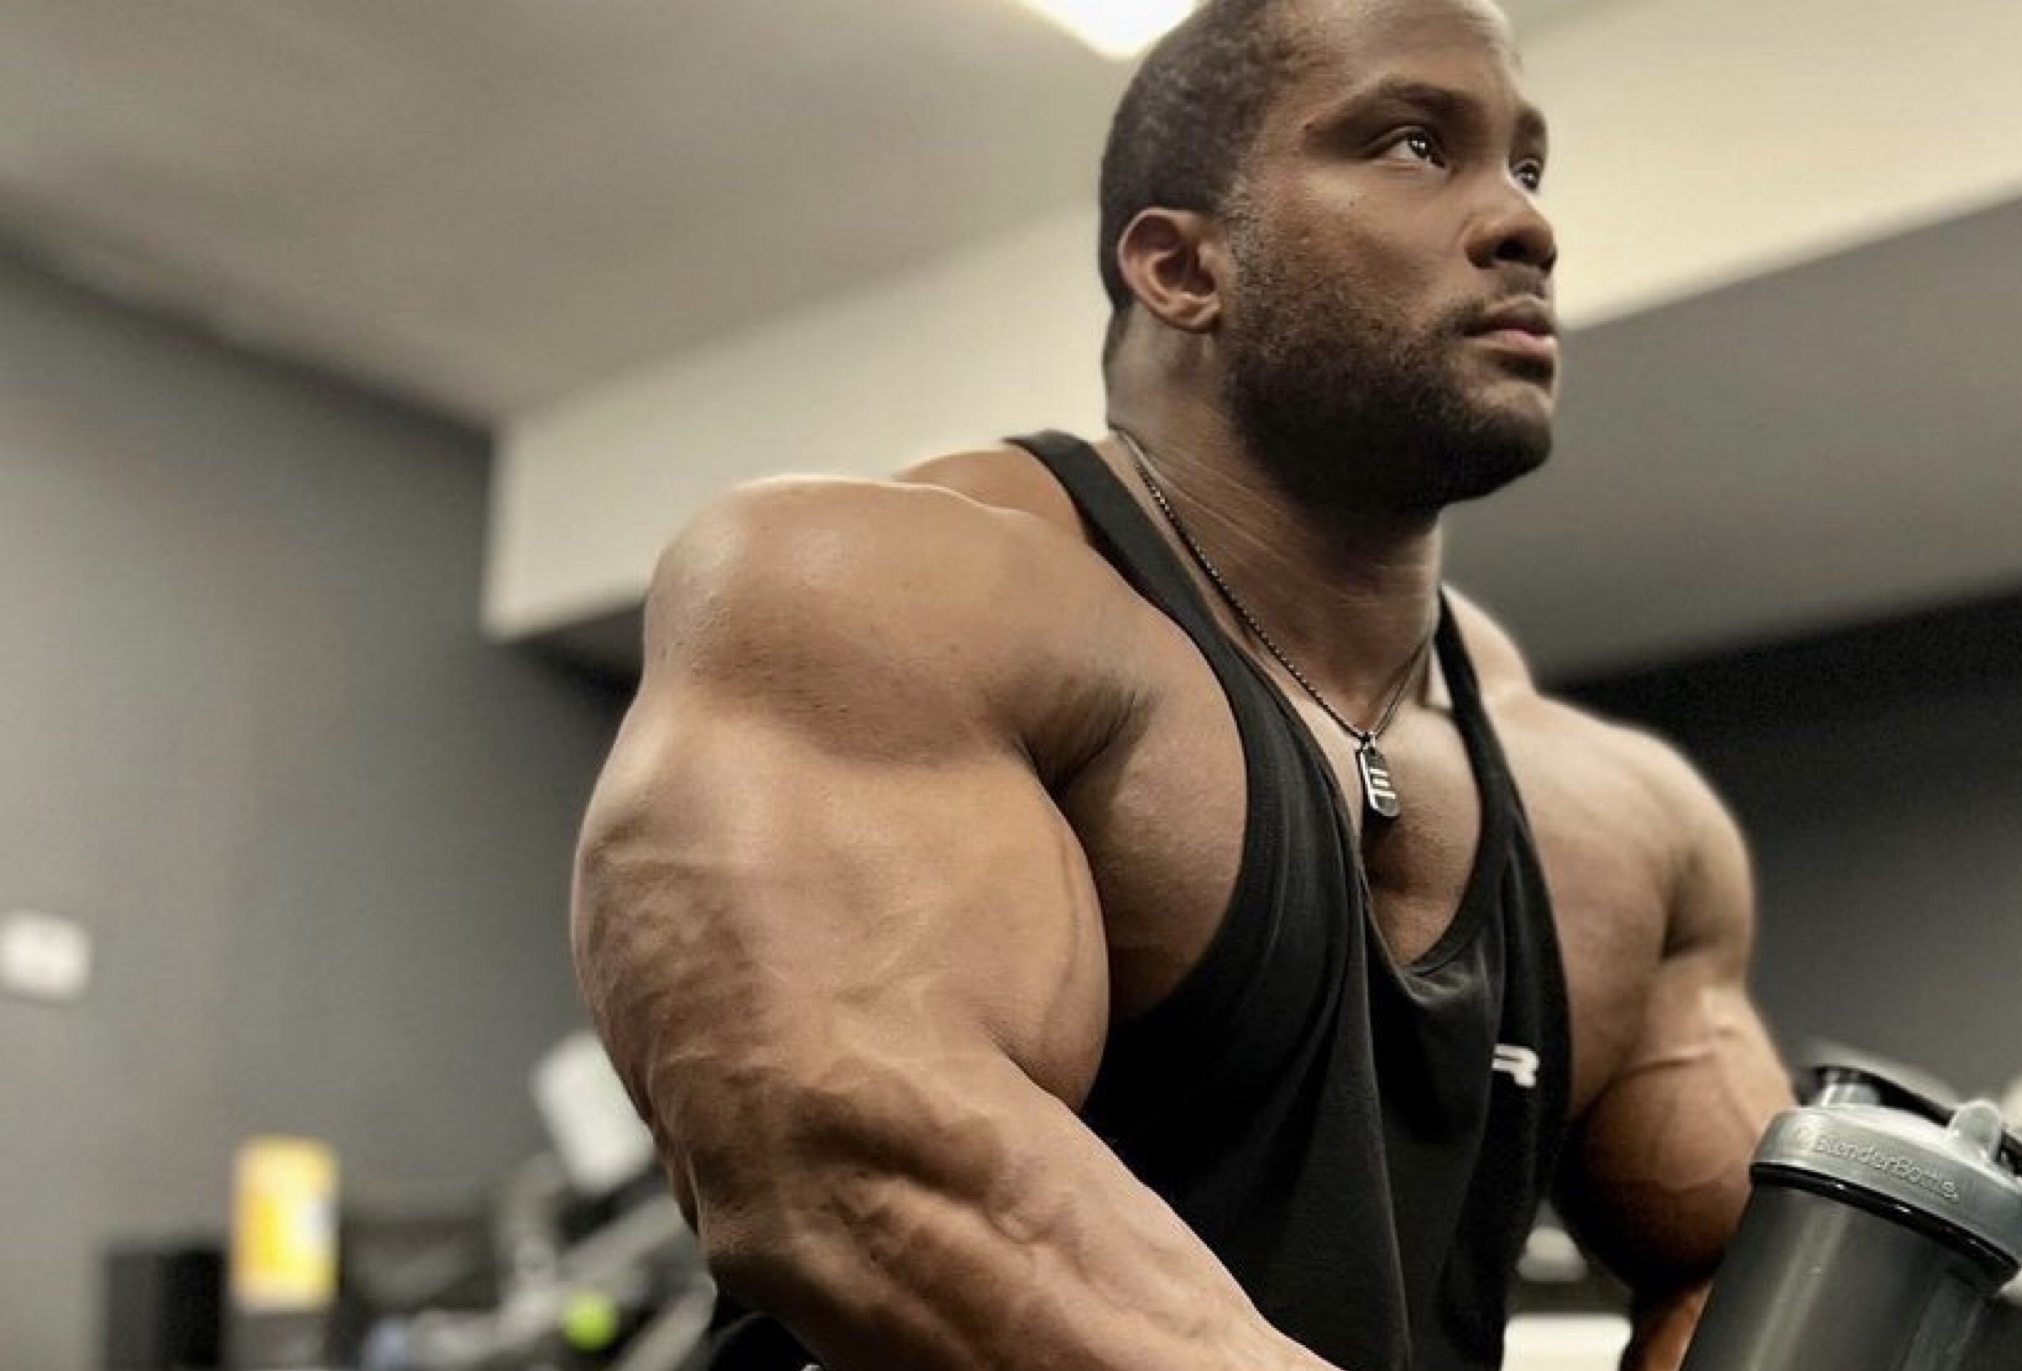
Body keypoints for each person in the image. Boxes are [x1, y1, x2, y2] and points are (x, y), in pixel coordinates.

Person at [569, 0, 1796, 1367]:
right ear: (1181, 267)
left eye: (1528, 165)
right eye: (1412, 144)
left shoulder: (1620, 819)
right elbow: (865, 1173)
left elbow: (1751, 1277)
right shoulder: (869, 595)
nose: (1526, 223)